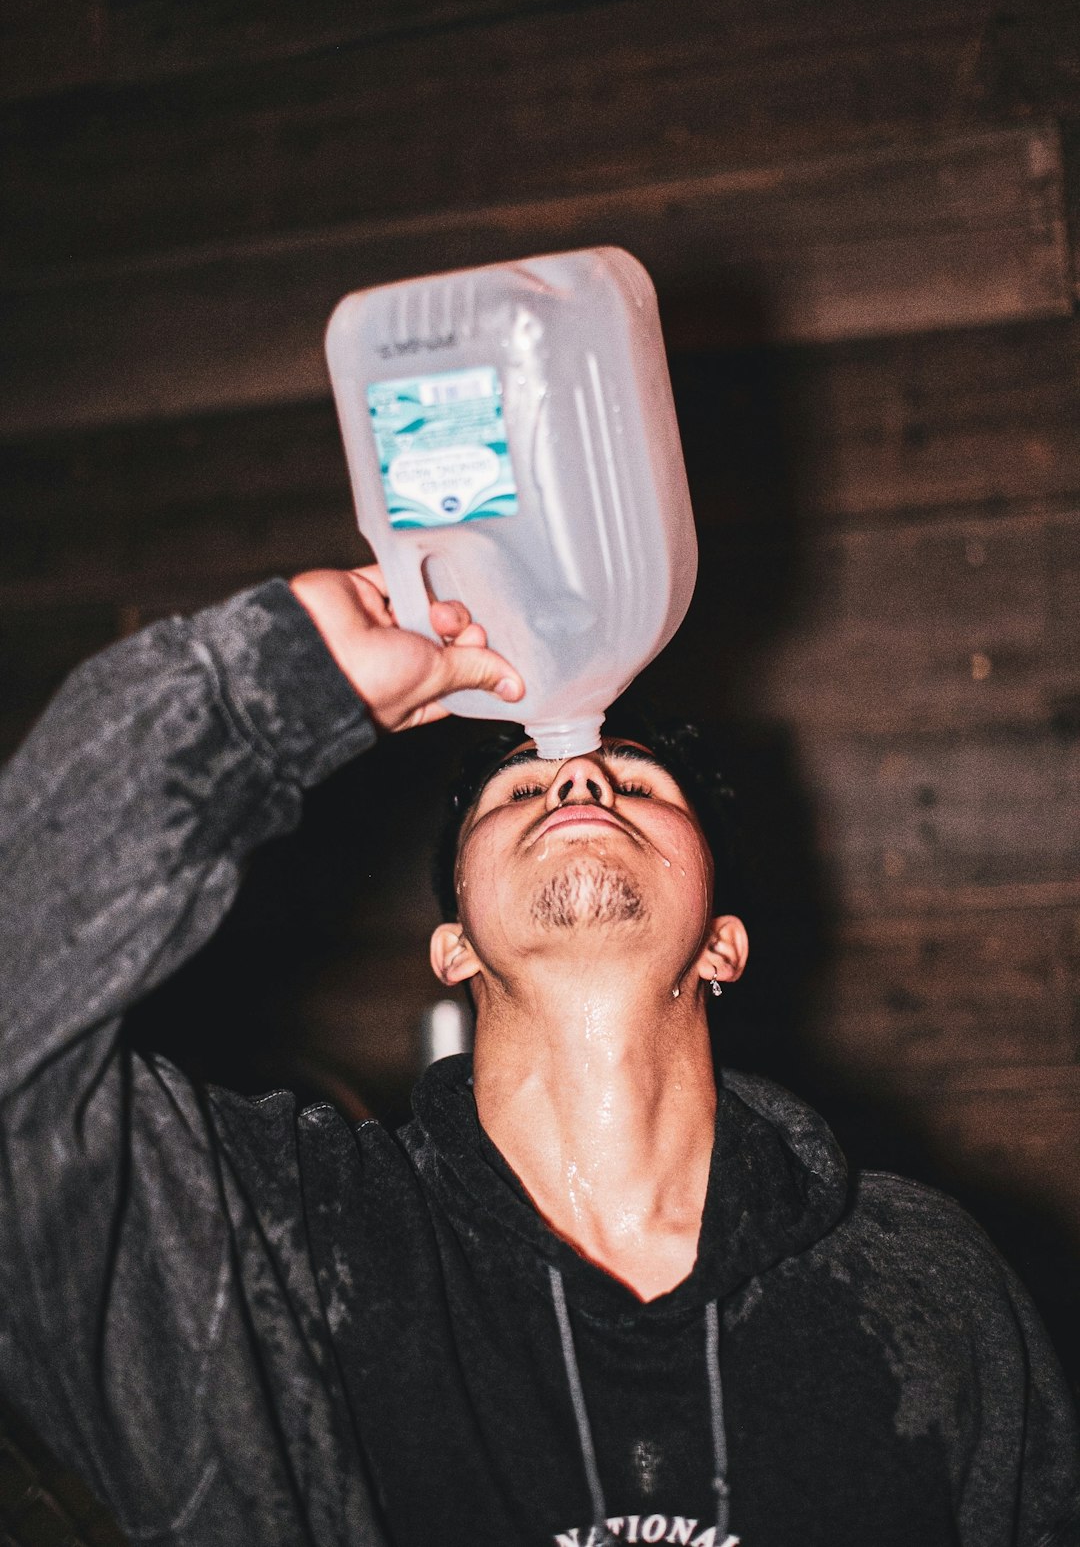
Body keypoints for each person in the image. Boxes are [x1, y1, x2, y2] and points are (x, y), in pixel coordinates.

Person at [0, 565, 1076, 1547]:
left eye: (640, 783)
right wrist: (262, 691)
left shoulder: (926, 1278)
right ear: (453, 945)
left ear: (723, 943)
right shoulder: (282, 1235)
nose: (577, 786)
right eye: (519, 792)